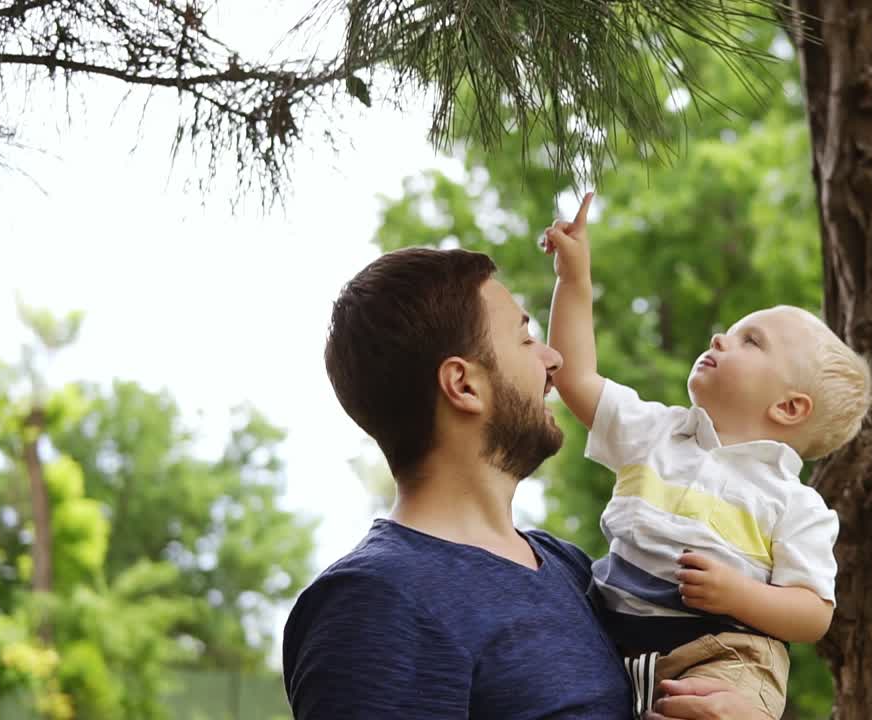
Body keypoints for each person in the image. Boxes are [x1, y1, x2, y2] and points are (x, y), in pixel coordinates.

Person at [281, 245, 760, 719]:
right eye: (526, 338)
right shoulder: (376, 604)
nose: (554, 360)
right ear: (464, 385)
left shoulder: (568, 568)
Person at [541, 194, 872, 719]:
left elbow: (812, 615)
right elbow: (575, 376)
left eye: (751, 341)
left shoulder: (793, 503)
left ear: (788, 407)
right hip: (616, 642)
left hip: (726, 651)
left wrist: (738, 594)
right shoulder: (656, 432)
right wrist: (575, 279)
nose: (722, 336)